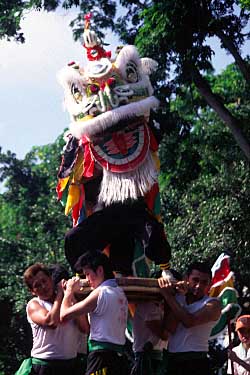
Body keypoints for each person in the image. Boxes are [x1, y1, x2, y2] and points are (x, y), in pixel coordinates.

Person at [60, 250, 129, 375]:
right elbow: (87, 327)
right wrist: (74, 299)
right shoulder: (120, 292)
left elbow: (64, 316)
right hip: (118, 357)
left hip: (101, 356)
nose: (87, 279)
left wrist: (68, 292)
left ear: (100, 270)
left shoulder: (100, 293)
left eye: (87, 274)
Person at [23, 263, 88, 375]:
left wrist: (70, 296)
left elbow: (85, 328)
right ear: (32, 291)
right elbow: (52, 322)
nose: (43, 287)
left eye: (44, 281)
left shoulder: (68, 300)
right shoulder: (34, 304)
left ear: (50, 280)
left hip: (71, 365)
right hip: (45, 365)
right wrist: (60, 295)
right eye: (37, 285)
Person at [158, 261, 221, 375]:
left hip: (197, 363)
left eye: (204, 282)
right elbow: (167, 332)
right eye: (195, 280)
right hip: (173, 363)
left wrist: (168, 296)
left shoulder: (213, 304)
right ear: (186, 279)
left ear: (209, 284)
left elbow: (189, 321)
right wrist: (178, 297)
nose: (199, 286)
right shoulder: (178, 299)